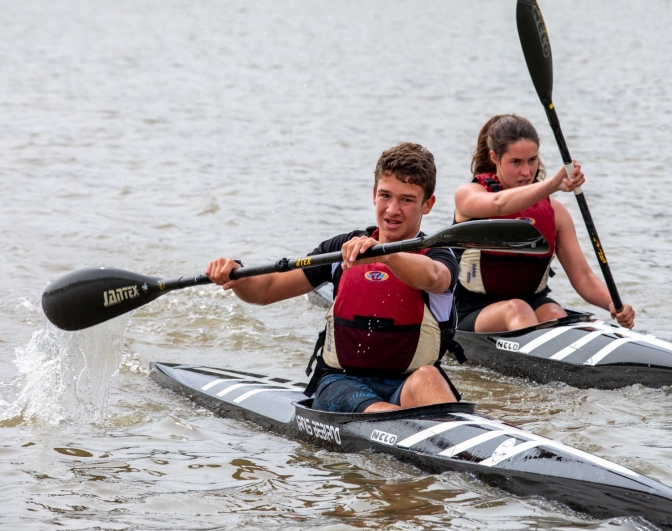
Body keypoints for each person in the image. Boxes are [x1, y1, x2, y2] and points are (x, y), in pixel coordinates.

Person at [206, 143, 461, 413]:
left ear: (428, 205)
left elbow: (435, 277)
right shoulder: (340, 249)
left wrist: (385, 255)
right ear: (374, 195)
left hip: (408, 384)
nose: (392, 210)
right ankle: (399, 422)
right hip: (341, 383)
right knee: (378, 410)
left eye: (407, 200)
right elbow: (267, 290)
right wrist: (237, 276)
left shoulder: (439, 256)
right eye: (385, 195)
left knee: (430, 377)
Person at [453, 114, 635, 333]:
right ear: (494, 158)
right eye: (516, 162)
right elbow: (499, 205)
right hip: (472, 310)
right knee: (517, 309)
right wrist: (553, 184)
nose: (527, 172)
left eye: (532, 160)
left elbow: (583, 276)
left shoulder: (556, 212)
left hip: (535, 303)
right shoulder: (469, 196)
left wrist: (614, 304)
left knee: (555, 314)